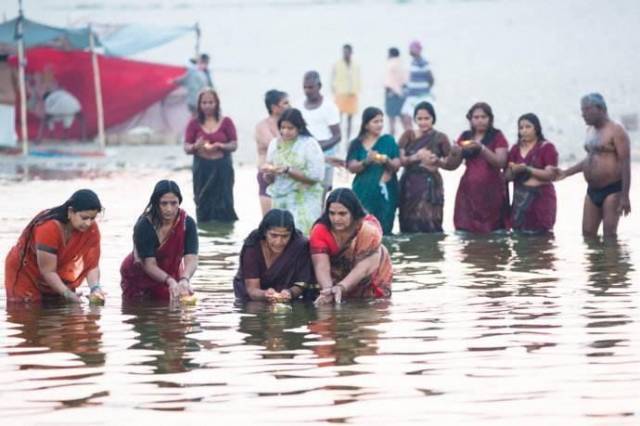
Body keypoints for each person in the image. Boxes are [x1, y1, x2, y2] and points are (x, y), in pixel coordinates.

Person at [4, 189, 104, 303]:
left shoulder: (91, 229)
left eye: (92, 218)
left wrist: (95, 288)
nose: (88, 223)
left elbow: (92, 266)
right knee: (28, 311)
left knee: (61, 310)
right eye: (84, 218)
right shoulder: (48, 227)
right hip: (26, 270)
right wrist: (68, 294)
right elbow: (48, 271)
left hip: (56, 271)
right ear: (71, 211)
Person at [557, 93, 631, 238]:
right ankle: (596, 262)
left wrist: (625, 196)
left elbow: (625, 164)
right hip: (592, 191)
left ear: (601, 109)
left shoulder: (616, 131)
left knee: (609, 236)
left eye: (587, 110)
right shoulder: (590, 131)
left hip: (612, 190)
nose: (583, 114)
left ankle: (612, 261)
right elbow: (589, 160)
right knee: (587, 234)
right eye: (582, 110)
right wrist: (566, 173)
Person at [310, 188, 393, 304]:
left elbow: (364, 267)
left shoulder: (368, 229)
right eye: (332, 213)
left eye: (342, 214)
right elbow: (321, 266)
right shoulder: (321, 230)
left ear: (353, 212)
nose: (336, 219)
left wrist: (341, 287)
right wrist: (328, 291)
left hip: (369, 277)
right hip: (334, 277)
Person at [120, 180, 198, 301]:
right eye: (164, 203)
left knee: (172, 314)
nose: (169, 209)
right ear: (156, 203)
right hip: (139, 276)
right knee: (139, 311)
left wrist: (184, 279)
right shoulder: (145, 225)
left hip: (170, 274)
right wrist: (170, 280)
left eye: (174, 203)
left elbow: (192, 258)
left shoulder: (187, 223)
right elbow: (148, 265)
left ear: (179, 202)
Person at [261, 108, 325, 234]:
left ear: (299, 128)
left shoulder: (309, 144)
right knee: (281, 234)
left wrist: (288, 170)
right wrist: (269, 173)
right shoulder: (275, 144)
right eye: (282, 128)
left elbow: (316, 177)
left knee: (302, 235)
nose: (285, 132)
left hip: (305, 200)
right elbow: (270, 178)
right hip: (280, 199)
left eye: (290, 128)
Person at [449, 102, 510, 233]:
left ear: (490, 119)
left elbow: (500, 162)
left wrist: (481, 148)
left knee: (493, 232)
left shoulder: (497, 136)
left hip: (492, 192)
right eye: (476, 117)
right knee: (466, 232)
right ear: (470, 120)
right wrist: (455, 151)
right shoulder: (465, 136)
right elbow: (453, 165)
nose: (480, 120)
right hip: (468, 192)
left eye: (483, 117)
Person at [233, 209, 315, 302]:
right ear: (264, 232)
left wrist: (290, 293)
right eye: (274, 235)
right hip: (249, 300)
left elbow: (301, 283)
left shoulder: (300, 245)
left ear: (291, 234)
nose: (278, 242)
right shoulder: (253, 244)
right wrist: (266, 294)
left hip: (287, 300)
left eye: (285, 236)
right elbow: (252, 290)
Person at [398, 101, 454, 233]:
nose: (423, 122)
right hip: (410, 186)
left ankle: (431, 250)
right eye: (419, 119)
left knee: (431, 222)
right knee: (409, 223)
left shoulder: (441, 138)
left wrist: (437, 161)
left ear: (433, 118)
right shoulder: (408, 136)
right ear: (415, 119)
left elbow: (450, 163)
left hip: (431, 186)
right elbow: (400, 161)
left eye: (427, 118)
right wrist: (415, 157)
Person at [184, 88, 238, 222]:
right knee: (202, 202)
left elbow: (234, 144)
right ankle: (204, 233)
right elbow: (186, 147)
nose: (207, 105)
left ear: (217, 103)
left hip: (222, 168)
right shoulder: (194, 123)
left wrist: (220, 146)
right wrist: (196, 146)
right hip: (201, 168)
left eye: (211, 102)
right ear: (199, 105)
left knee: (225, 203)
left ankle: (225, 234)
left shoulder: (226, 122)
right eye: (204, 103)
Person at [346, 107, 401, 234]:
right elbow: (351, 167)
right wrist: (367, 161)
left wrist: (386, 160)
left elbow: (397, 164)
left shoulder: (388, 140)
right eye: (375, 122)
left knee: (385, 230)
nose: (380, 125)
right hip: (363, 192)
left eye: (381, 121)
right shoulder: (356, 144)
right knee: (362, 229)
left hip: (385, 193)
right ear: (366, 125)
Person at [505, 113, 559, 233]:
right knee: (520, 241)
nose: (524, 130)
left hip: (541, 200)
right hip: (520, 201)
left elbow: (551, 175)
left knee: (542, 239)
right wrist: (514, 170)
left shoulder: (547, 148)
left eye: (528, 127)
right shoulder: (515, 149)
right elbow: (506, 176)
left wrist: (527, 169)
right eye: (521, 128)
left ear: (536, 128)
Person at [301, 71, 342, 191]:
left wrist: (318, 148)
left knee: (322, 191)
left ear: (319, 86)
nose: (307, 91)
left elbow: (337, 136)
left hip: (326, 154)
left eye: (310, 87)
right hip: (305, 155)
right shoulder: (298, 106)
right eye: (305, 87)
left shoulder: (329, 107)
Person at [255, 89, 290, 215]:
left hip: (287, 176)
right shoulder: (262, 126)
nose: (289, 106)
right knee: (269, 221)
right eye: (285, 103)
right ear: (274, 107)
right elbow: (274, 145)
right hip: (267, 176)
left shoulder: (290, 126)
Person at [401, 40, 434, 131]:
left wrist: (425, 90)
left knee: (422, 118)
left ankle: (423, 139)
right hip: (412, 95)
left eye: (412, 49)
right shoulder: (413, 62)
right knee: (405, 116)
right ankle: (412, 139)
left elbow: (431, 79)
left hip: (421, 96)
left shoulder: (423, 62)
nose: (410, 51)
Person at [331, 44, 361, 140]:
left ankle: (347, 139)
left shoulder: (355, 65)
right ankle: (338, 138)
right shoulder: (337, 64)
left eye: (347, 52)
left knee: (350, 119)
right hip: (341, 94)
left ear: (351, 52)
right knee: (338, 119)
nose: (345, 54)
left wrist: (357, 90)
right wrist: (335, 90)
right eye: (344, 52)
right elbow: (332, 79)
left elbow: (358, 79)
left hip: (352, 94)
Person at [384, 47, 408, 137]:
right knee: (403, 120)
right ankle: (410, 140)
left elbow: (389, 82)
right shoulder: (402, 65)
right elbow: (405, 81)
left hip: (392, 94)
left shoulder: (391, 64)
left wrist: (393, 91)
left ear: (390, 54)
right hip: (402, 94)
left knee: (391, 121)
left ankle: (391, 141)